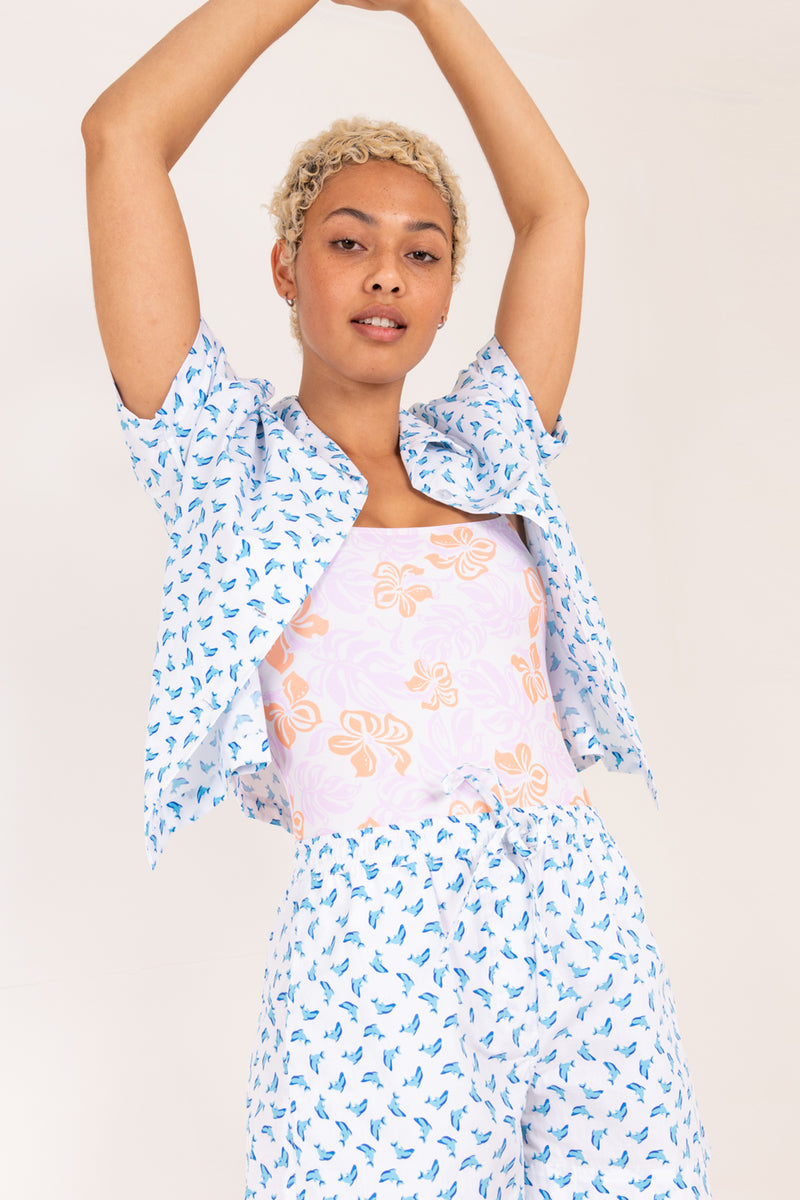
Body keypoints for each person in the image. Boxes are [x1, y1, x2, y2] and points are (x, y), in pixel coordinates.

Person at [82, 1, 711, 1196]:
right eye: (347, 240)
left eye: (423, 251)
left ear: (446, 288)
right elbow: (121, 135)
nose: (387, 271)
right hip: (379, 946)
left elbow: (556, 211)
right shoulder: (228, 466)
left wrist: (431, 7)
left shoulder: (489, 449)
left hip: (577, 915)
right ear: (284, 264)